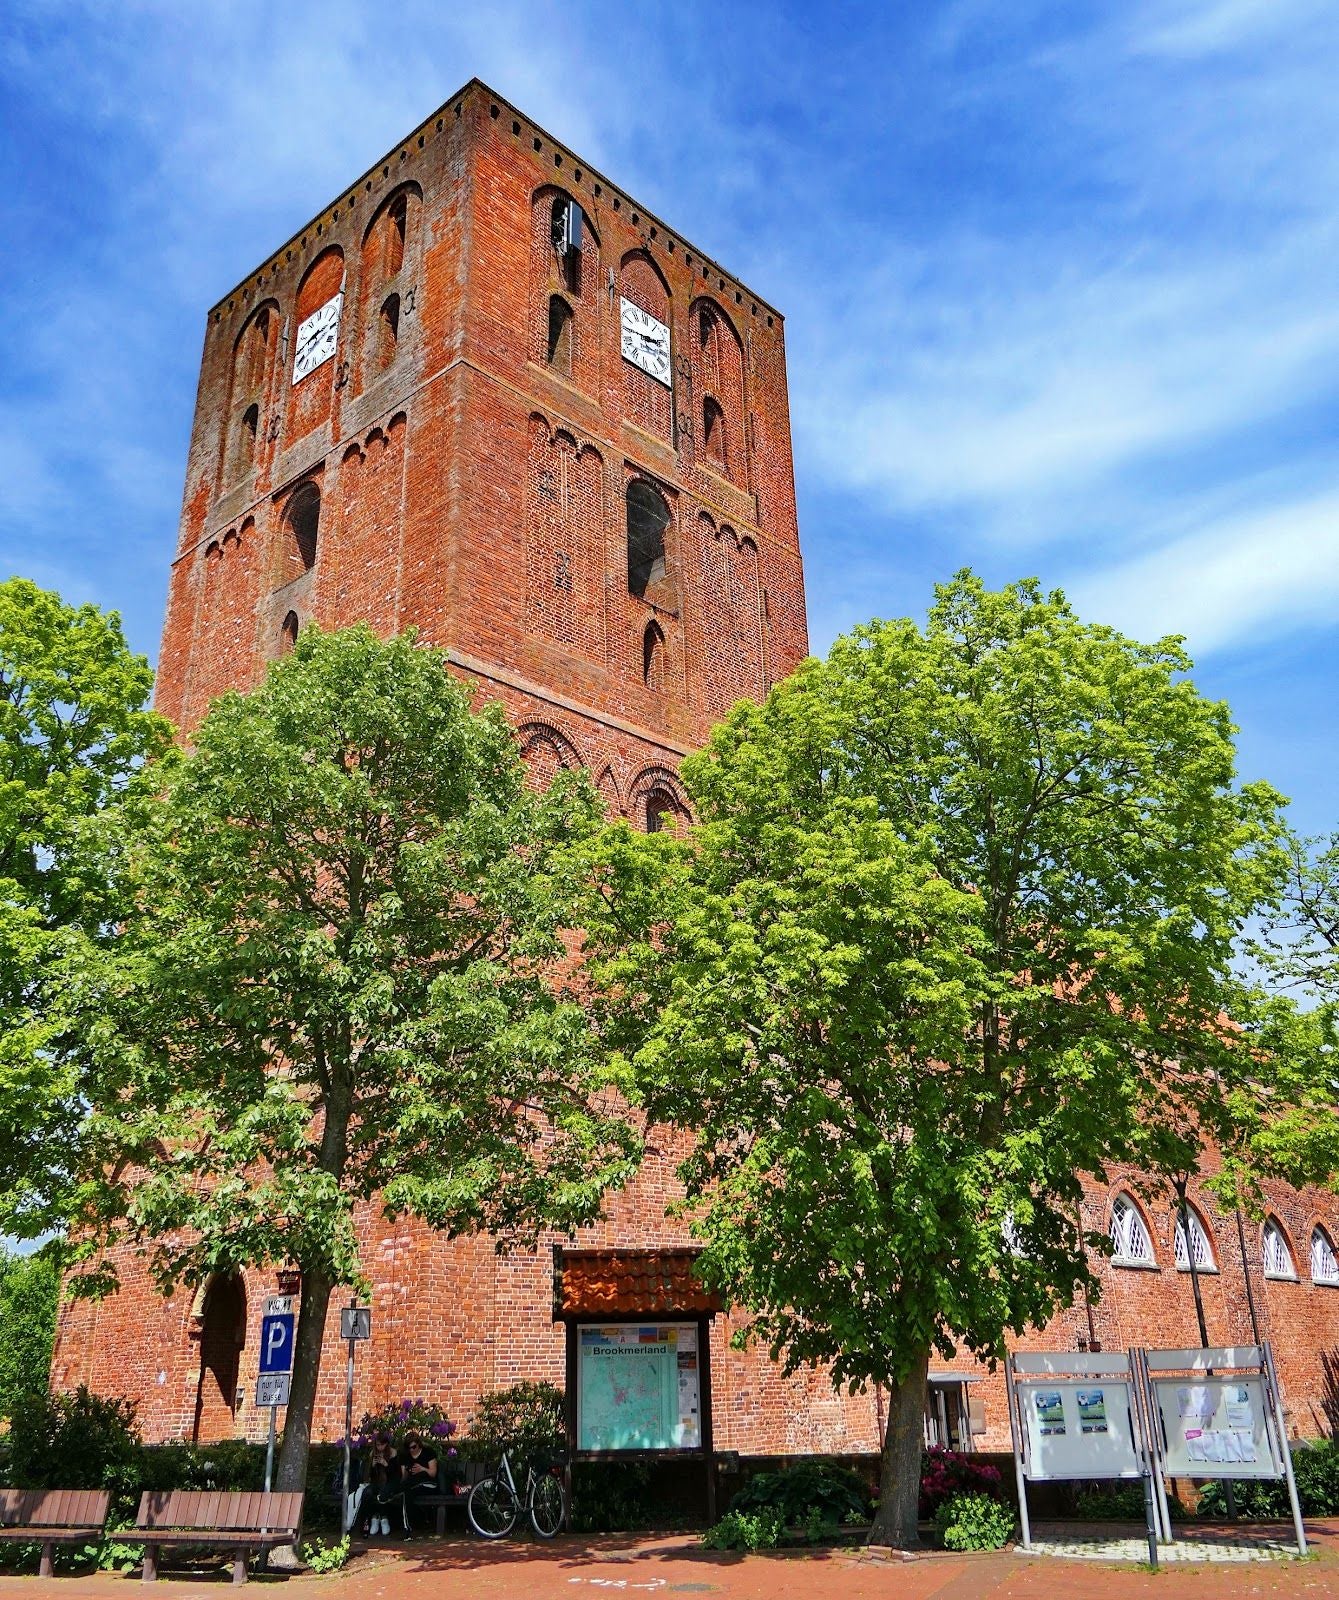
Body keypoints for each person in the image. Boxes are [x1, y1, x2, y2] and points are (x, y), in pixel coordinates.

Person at [349, 1432, 404, 1537]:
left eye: (382, 1445)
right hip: (377, 1481)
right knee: (367, 1493)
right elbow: (370, 1476)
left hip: (390, 1482)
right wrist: (373, 1466)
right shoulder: (373, 1453)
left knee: (383, 1493)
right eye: (378, 1445)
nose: (380, 1448)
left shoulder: (394, 1454)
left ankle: (384, 1518)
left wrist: (386, 1464)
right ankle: (372, 1519)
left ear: (387, 1444)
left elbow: (397, 1475)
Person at [400, 1431, 439, 1534]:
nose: (412, 1450)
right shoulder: (405, 1456)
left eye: (414, 1447)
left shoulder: (428, 1452)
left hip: (428, 1483)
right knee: (406, 1492)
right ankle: (412, 1524)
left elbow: (433, 1473)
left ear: (418, 1444)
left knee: (407, 1490)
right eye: (409, 1448)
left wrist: (422, 1469)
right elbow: (403, 1478)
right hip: (412, 1483)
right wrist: (407, 1471)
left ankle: (410, 1526)